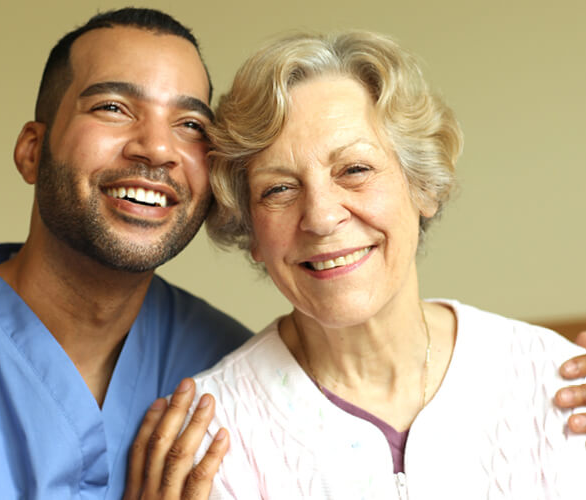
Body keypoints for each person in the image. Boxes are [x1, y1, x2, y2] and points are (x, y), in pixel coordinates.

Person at [177, 31, 586, 497]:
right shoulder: (210, 439)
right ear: (249, 229)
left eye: (354, 170)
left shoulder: (558, 382)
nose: (322, 217)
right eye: (279, 189)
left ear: (424, 186)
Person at [0, 8, 251, 500]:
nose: (158, 149)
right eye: (113, 108)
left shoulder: (233, 369)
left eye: (189, 124)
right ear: (32, 150)